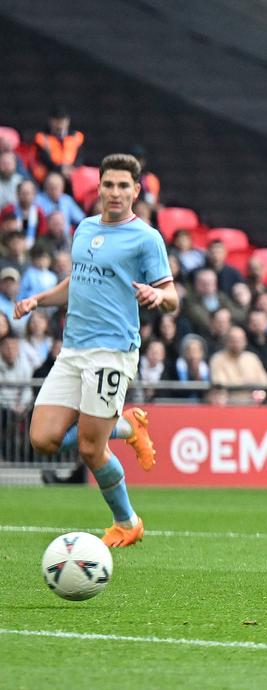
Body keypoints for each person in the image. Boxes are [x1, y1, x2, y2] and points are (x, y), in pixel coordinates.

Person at [16, 153, 176, 548]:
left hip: (112, 352)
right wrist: (40, 299)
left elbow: (173, 296)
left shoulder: (146, 238)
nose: (115, 192)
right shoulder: (85, 229)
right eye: (109, 185)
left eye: (124, 186)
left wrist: (159, 295)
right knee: (42, 439)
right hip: (73, 351)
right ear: (99, 188)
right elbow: (77, 281)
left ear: (136, 191)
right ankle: (126, 427)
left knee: (90, 447)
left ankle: (127, 521)